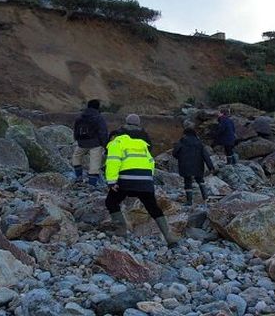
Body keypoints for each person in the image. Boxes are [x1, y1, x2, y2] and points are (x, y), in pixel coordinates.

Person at [104, 114, 179, 247]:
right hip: (145, 180)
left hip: (126, 180)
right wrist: (148, 180)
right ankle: (169, 236)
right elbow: (151, 162)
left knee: (111, 202)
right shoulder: (142, 144)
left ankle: (121, 230)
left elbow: (113, 161)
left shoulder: (117, 142)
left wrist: (111, 181)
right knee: (153, 207)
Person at [173, 120, 215, 206]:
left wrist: (180, 157)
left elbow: (175, 153)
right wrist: (211, 167)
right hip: (198, 165)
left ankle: (189, 201)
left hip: (185, 165)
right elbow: (205, 155)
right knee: (200, 180)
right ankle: (205, 198)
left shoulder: (182, 141)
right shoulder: (199, 143)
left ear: (185, 133)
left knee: (188, 182)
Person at [72, 99, 108, 185]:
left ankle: (78, 177)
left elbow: (76, 130)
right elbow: (103, 132)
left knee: (76, 157)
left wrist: (77, 140)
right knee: (94, 163)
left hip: (82, 143)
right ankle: (92, 184)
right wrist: (105, 145)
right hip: (95, 144)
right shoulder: (98, 117)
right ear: (98, 107)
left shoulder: (80, 117)